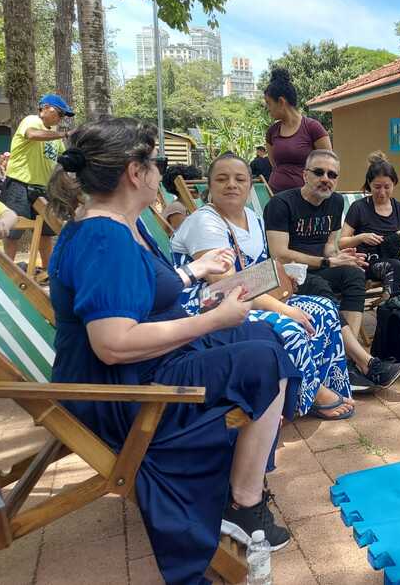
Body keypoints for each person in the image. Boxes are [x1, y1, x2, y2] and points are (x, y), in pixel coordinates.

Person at [45, 118, 301, 583]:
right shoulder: (104, 239)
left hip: (147, 366)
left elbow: (141, 289)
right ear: (134, 172)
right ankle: (244, 504)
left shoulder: (118, 225)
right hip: (122, 392)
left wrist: (194, 272)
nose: (161, 171)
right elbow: (112, 344)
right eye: (156, 162)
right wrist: (212, 321)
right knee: (263, 358)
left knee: (264, 338)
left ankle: (242, 493)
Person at [170, 152, 354, 419]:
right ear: (209, 186)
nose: (231, 184)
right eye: (222, 179)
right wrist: (285, 309)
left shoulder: (252, 217)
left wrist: (287, 276)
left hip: (254, 296)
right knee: (290, 325)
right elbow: (226, 287)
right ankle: (310, 394)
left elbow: (260, 269)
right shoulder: (205, 222)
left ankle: (327, 383)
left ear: (249, 184)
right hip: (211, 305)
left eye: (239, 179)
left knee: (324, 308)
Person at [264, 148, 400, 390]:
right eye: (319, 172)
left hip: (321, 266)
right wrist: (327, 262)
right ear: (305, 175)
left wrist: (341, 257)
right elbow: (279, 253)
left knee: (354, 274)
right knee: (322, 286)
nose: (326, 178)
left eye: (332, 174)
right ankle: (365, 362)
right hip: (289, 273)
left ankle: (346, 362)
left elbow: (329, 247)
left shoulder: (335, 202)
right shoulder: (281, 204)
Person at [0, 94, 73, 273]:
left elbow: (63, 160)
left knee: (46, 232)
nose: (61, 118)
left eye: (63, 115)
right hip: (19, 184)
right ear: (45, 108)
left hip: (43, 189)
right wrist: (64, 134)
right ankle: (6, 274)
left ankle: (47, 271)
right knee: (13, 230)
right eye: (60, 113)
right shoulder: (32, 120)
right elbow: (32, 134)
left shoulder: (55, 138)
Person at [340, 152, 400, 296]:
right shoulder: (359, 207)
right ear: (369, 184)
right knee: (394, 266)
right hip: (368, 264)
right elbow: (342, 243)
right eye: (377, 187)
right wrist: (361, 237)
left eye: (387, 187)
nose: (382, 192)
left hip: (394, 263)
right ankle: (392, 307)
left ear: (394, 184)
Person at [263, 68, 332, 193]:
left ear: (281, 102)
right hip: (276, 196)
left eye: (269, 103)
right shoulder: (271, 132)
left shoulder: (313, 128)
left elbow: (328, 165)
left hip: (307, 198)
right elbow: (275, 166)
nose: (267, 108)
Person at [160, 163, 201, 230]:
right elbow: (184, 234)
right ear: (178, 186)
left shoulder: (187, 205)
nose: (198, 187)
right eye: (193, 183)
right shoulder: (177, 207)